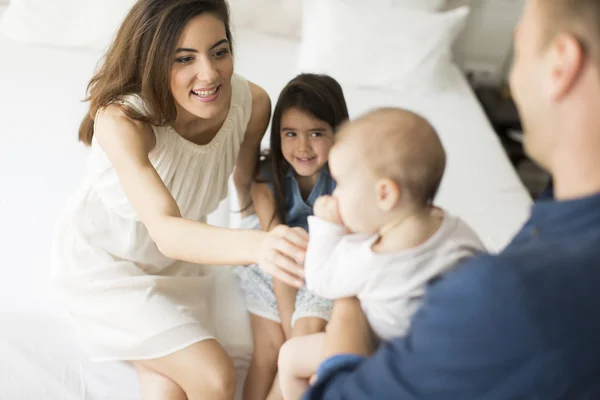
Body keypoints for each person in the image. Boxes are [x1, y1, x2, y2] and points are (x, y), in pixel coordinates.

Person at [302, 0, 600, 398]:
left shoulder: (507, 296)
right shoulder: (558, 215)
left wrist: (349, 301)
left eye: (522, 42)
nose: (513, 76)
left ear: (560, 66)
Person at [49, 1, 307, 399]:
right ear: (151, 61)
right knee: (215, 374)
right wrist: (259, 247)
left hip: (184, 266)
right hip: (106, 268)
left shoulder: (252, 104)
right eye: (183, 59)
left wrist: (275, 238)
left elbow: (246, 188)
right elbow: (167, 230)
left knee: (167, 385)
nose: (209, 74)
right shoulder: (122, 121)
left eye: (220, 51)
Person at [277, 108, 486, 400]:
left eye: (342, 184)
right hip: (436, 358)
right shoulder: (451, 227)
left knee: (289, 357)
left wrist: (326, 224)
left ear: (385, 195)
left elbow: (319, 278)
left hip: (383, 356)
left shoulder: (371, 258)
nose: (335, 195)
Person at [236, 73, 350, 400]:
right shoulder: (266, 179)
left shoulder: (346, 182)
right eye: (291, 134)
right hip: (274, 266)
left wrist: (295, 343)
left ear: (337, 133)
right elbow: (278, 254)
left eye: (316, 133)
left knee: (304, 337)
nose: (302, 146)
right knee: (270, 352)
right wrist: (288, 335)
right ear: (278, 135)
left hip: (322, 266)